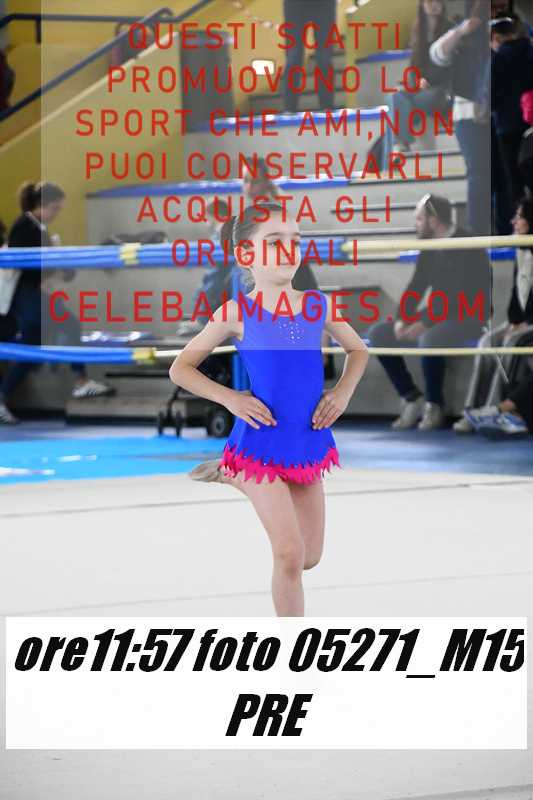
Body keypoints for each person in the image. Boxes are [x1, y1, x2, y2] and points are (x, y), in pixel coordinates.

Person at [169, 203, 369, 616]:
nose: (288, 250)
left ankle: (227, 470)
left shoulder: (317, 305)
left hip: (305, 441)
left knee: (310, 556)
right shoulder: (235, 313)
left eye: (295, 240)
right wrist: (231, 398)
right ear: (246, 254)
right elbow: (181, 368)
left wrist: (342, 392)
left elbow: (358, 350)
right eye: (274, 242)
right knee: (289, 555)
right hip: (258, 446)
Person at [367, 193, 492, 431]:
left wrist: (425, 322)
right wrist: (402, 318)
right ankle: (411, 397)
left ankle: (435, 404)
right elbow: (417, 285)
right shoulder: (429, 245)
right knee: (378, 333)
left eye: (419, 219)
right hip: (437, 313)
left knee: (429, 338)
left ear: (433, 221)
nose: (416, 224)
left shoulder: (467, 245)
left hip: (468, 314)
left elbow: (458, 295)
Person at [0, 181, 113, 425]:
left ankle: (2, 397)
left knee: (31, 348)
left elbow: (45, 264)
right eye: (54, 209)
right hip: (25, 295)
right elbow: (25, 264)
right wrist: (54, 266)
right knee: (69, 324)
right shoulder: (24, 227)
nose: (56, 214)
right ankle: (80, 380)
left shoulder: (38, 229)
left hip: (30, 295)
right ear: (41, 205)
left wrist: (59, 266)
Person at [454, 196, 533, 432]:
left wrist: (525, 324)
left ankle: (495, 409)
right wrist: (514, 321)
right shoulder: (521, 251)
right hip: (524, 322)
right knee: (487, 342)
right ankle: (472, 409)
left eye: (519, 217)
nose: (513, 222)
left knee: (512, 342)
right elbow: (516, 296)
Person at [430, 0, 492, 235]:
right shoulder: (464, 32)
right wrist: (464, 29)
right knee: (479, 175)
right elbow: (437, 54)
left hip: (500, 111)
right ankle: (479, 233)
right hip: (468, 114)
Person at [382, 0, 454, 169]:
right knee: (395, 96)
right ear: (422, 5)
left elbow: (452, 65)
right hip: (421, 89)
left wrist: (427, 80)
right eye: (429, 1)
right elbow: (414, 66)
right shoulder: (418, 28)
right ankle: (400, 145)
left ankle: (398, 146)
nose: (433, 5)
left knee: (402, 107)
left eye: (437, 1)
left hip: (442, 90)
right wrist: (415, 82)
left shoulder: (450, 29)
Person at [490, 16, 533, 229]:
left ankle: (518, 224)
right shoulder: (530, 51)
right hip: (530, 124)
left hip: (507, 127)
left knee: (513, 181)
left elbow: (491, 97)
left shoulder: (498, 59)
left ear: (496, 38)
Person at [281, 0, 337, 113]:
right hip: (294, 4)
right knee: (293, 57)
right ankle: (289, 108)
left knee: (324, 58)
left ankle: (327, 106)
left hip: (324, 4)